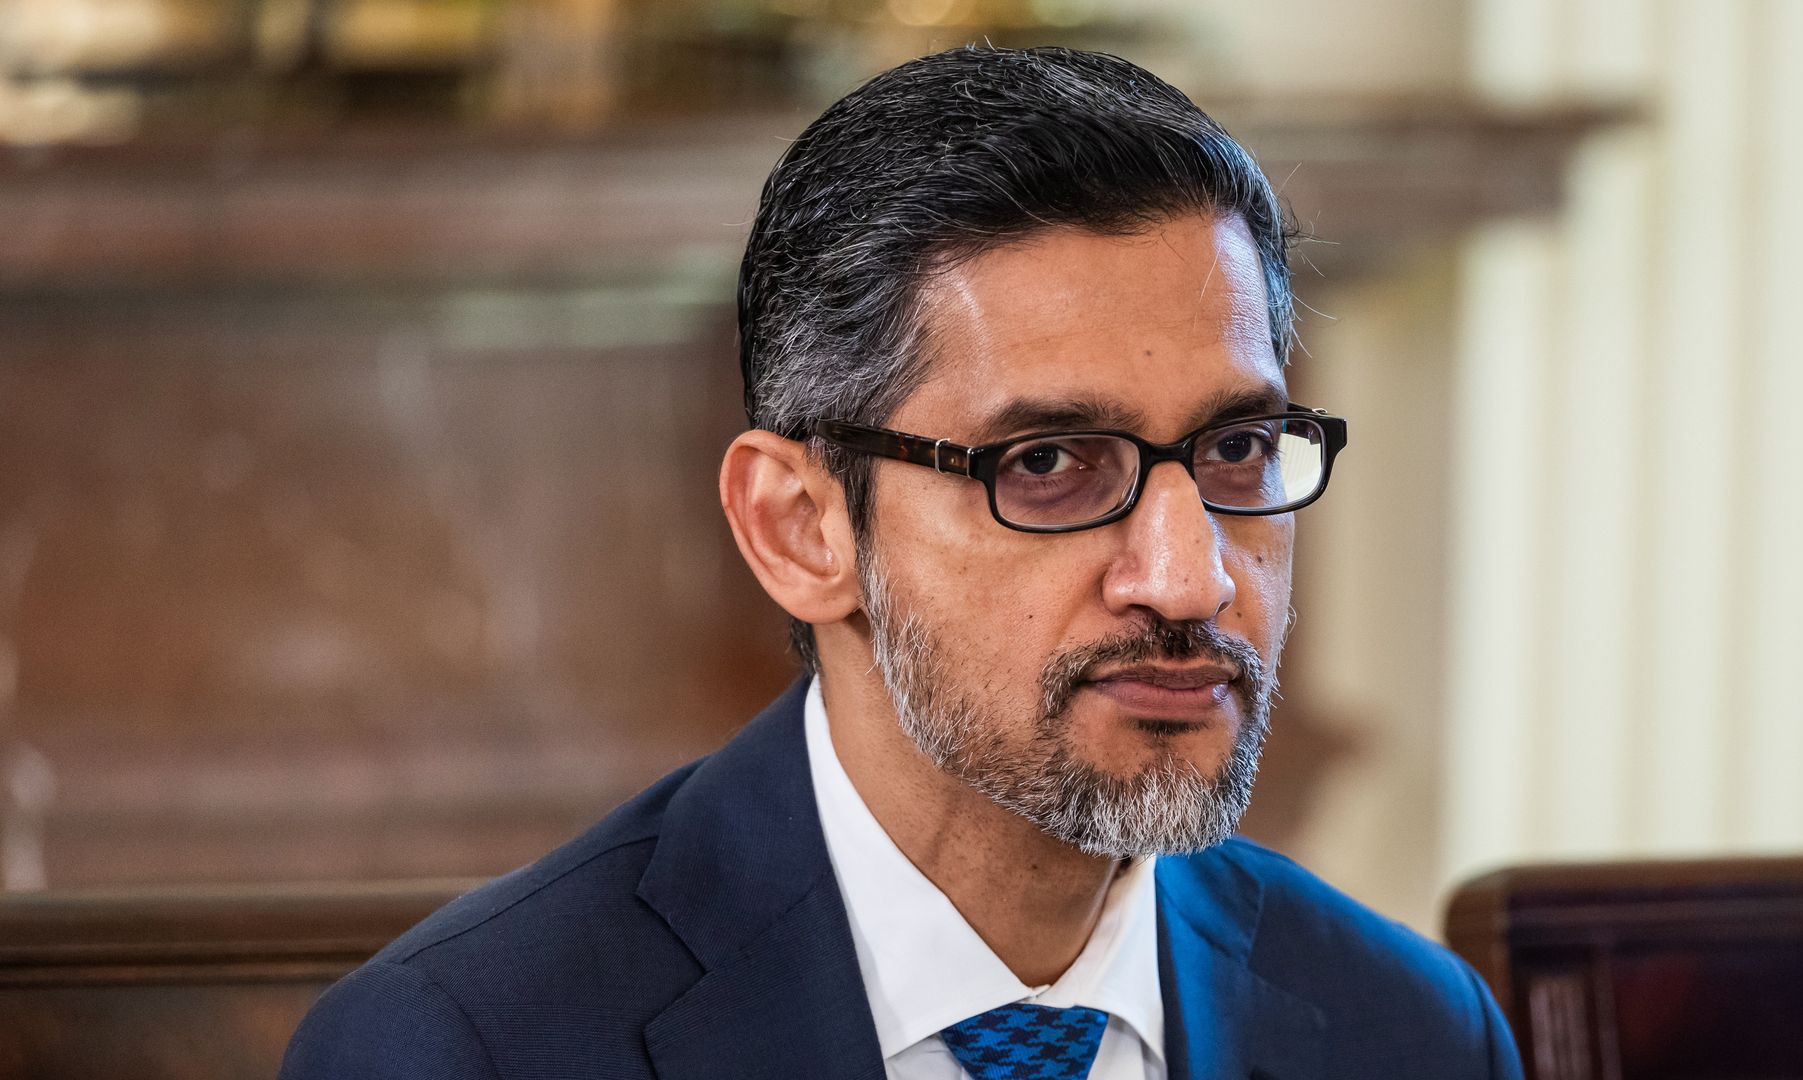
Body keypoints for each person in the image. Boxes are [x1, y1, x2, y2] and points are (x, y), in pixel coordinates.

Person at [281, 45, 1520, 1080]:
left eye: (1240, 447)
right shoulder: (466, 1050)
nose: (1189, 578)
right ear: (802, 528)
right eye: (1047, 464)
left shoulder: (1409, 1032)